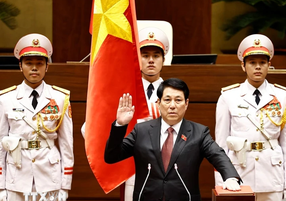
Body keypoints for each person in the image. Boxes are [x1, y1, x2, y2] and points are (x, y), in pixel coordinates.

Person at [105, 78, 242, 201]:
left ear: (186, 103)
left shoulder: (199, 133)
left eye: (178, 100)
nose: (172, 105)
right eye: (167, 100)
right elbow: (111, 156)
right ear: (158, 103)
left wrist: (230, 177)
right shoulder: (141, 130)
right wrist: (120, 125)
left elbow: (218, 154)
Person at [81, 27, 169, 201]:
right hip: (133, 169)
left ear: (163, 59)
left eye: (156, 56)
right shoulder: (124, 92)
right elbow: (90, 129)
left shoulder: (174, 93)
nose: (151, 60)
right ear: (137, 58)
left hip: (167, 168)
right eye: (145, 55)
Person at [214, 34, 286, 201]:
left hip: (272, 175)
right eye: (252, 63)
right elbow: (221, 144)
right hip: (238, 174)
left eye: (262, 63)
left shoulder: (282, 96)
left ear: (269, 65)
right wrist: (221, 180)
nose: (257, 67)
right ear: (243, 66)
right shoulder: (228, 97)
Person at [0, 33, 74, 201]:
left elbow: (66, 144)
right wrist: (0, 186)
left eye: (40, 63)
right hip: (16, 177)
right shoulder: (5, 99)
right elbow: (0, 145)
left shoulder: (60, 98)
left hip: (50, 177)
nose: (34, 68)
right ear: (20, 66)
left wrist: (65, 184)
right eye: (28, 63)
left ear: (47, 67)